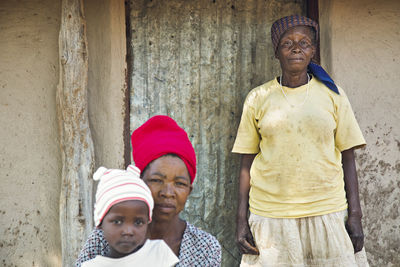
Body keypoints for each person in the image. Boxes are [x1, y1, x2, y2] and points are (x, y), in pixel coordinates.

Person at [233, 15, 369, 266]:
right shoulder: (258, 98)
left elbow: (348, 156)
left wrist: (356, 215)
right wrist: (241, 220)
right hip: (272, 215)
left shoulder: (333, 95)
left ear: (313, 51)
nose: (296, 48)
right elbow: (246, 163)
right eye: (287, 43)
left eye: (304, 43)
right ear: (276, 52)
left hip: (326, 211)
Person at [76, 115, 221, 267]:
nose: (167, 192)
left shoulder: (205, 247)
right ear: (139, 182)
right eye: (157, 180)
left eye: (179, 183)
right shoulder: (107, 236)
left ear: (189, 190)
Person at [81, 165, 179, 267]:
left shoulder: (159, 253)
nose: (128, 231)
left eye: (138, 222)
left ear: (147, 222)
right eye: (117, 222)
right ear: (100, 222)